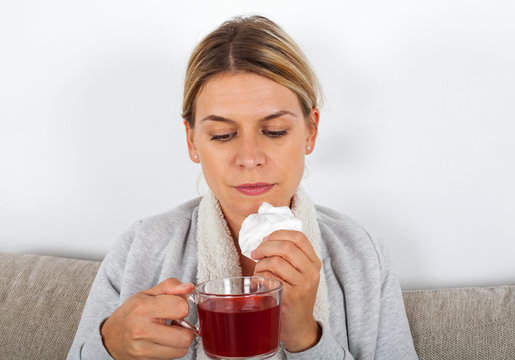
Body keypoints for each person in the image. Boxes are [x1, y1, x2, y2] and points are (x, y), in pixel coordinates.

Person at [68, 15, 418, 360]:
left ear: (310, 132)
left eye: (275, 131)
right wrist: (108, 346)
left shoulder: (361, 256)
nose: (249, 158)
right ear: (192, 141)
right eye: (223, 135)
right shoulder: (142, 249)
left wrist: (305, 338)